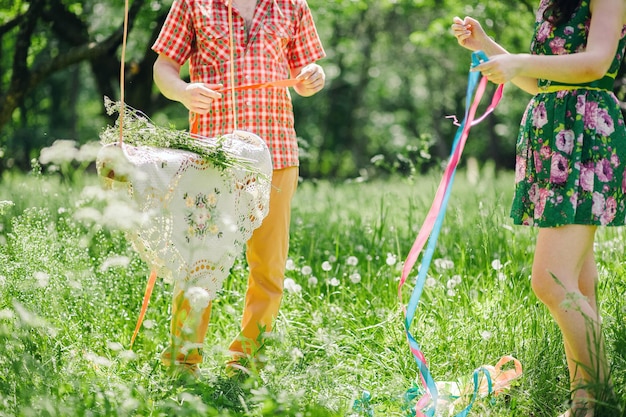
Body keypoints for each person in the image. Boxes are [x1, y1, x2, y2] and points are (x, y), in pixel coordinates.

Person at [452, 0, 625, 416]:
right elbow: (540, 81)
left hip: (584, 133)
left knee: (551, 281)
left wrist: (516, 60)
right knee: (578, 285)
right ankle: (587, 402)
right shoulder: (552, 2)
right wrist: (490, 47)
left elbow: (596, 63)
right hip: (554, 134)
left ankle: (600, 401)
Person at [150, 0, 326, 376]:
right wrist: (182, 91)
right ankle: (183, 362)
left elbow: (306, 72)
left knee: (268, 266)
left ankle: (246, 361)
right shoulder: (192, 3)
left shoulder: (292, 4)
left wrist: (313, 77)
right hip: (212, 156)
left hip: (276, 154)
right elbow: (163, 67)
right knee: (197, 261)